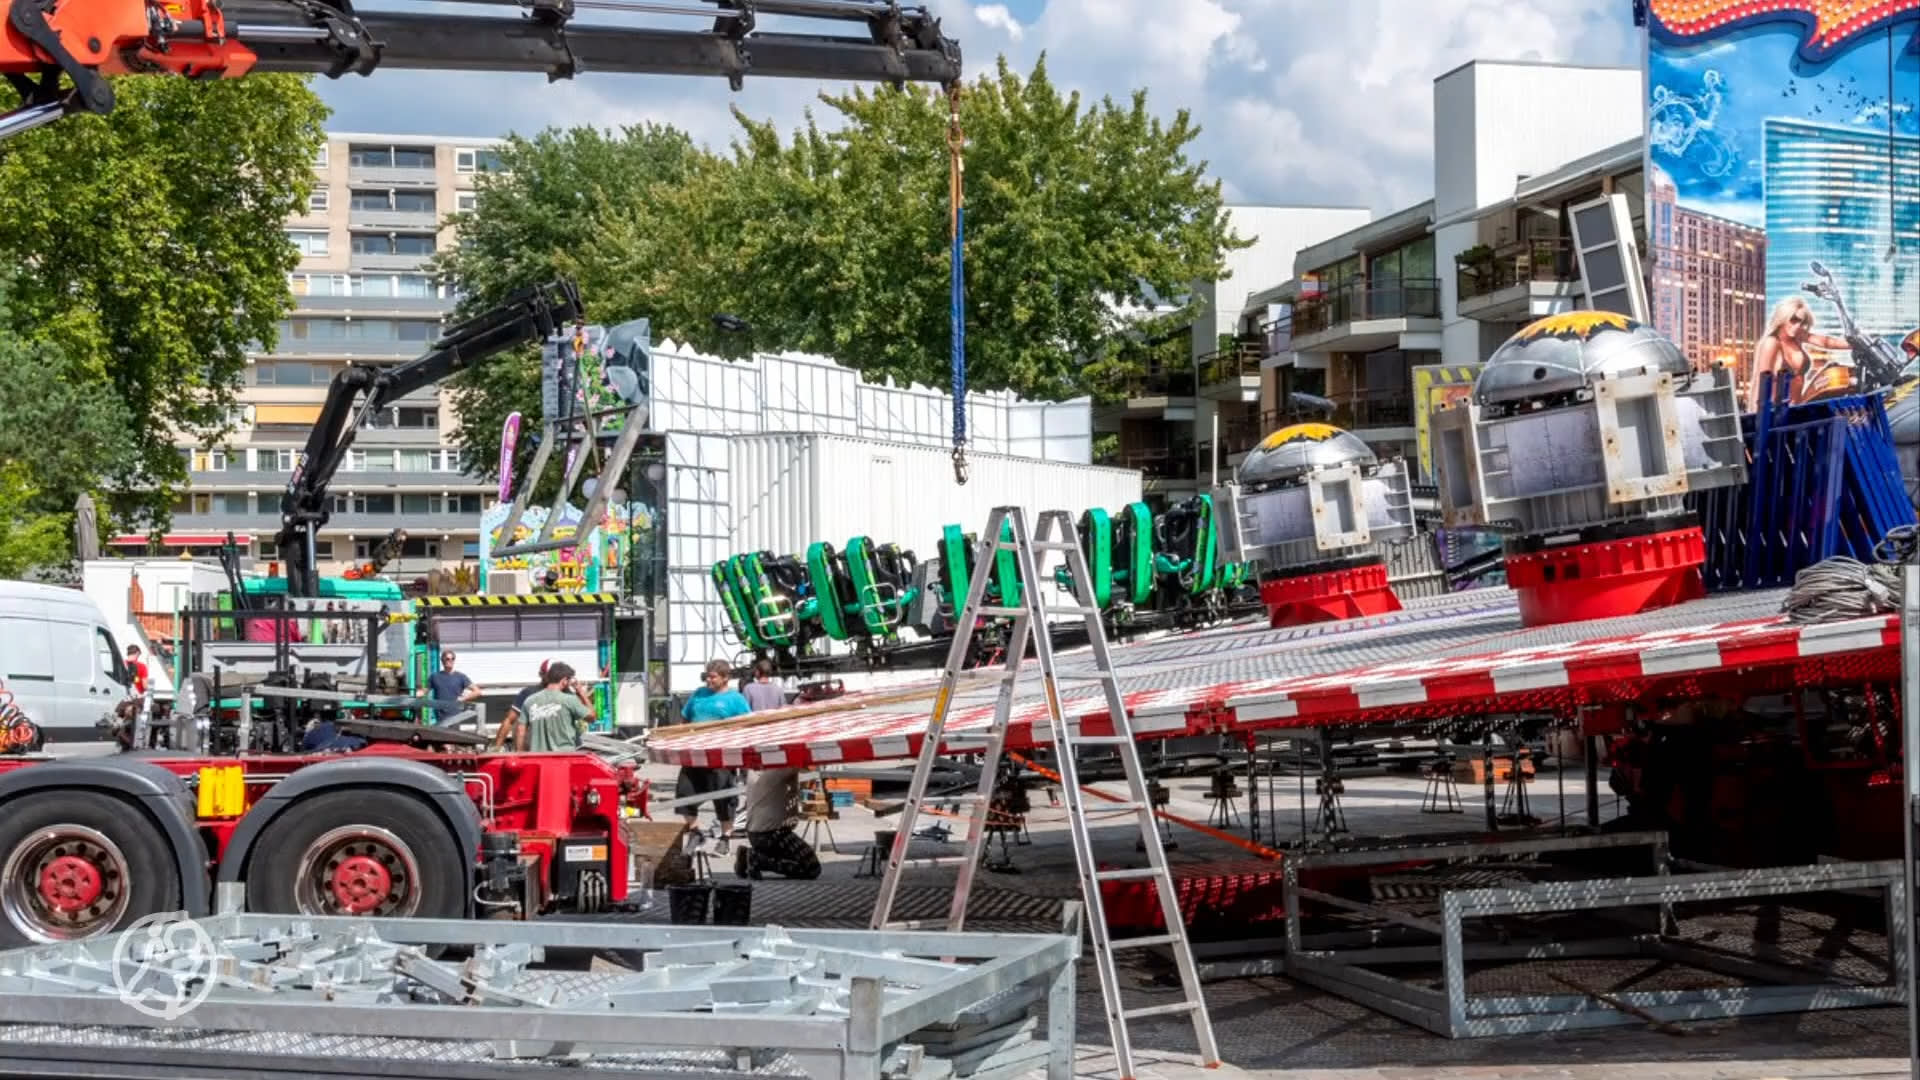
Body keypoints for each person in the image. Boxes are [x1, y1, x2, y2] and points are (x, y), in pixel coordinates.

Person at [674, 659, 751, 850]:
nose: (708, 680)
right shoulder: (699, 694)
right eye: (707, 676)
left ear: (725, 678)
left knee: (724, 798)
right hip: (695, 755)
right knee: (684, 793)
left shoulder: (736, 699)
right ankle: (695, 832)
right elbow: (685, 718)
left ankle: (725, 838)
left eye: (713, 676)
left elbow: (748, 724)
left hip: (721, 757)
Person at [1749, 297, 1853, 412]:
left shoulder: (1797, 335)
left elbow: (1826, 342)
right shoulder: (1771, 342)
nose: (1797, 326)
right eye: (1793, 320)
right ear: (1783, 318)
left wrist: (1856, 344)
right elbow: (1761, 381)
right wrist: (1756, 417)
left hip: (1797, 407)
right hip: (1776, 412)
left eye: (1801, 322)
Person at [734, 766, 821, 880]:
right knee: (812, 867)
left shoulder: (754, 768)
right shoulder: (784, 767)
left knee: (787, 855)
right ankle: (758, 860)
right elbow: (808, 768)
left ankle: (746, 856)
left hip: (754, 833)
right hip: (774, 834)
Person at [519, 662, 597, 752]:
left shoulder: (530, 700)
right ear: (564, 680)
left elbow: (521, 730)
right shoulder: (569, 700)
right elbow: (592, 717)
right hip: (564, 757)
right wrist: (581, 692)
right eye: (569, 680)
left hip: (538, 758)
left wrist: (521, 754)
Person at [490, 659, 552, 751]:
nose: (555, 678)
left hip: (559, 749)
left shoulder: (567, 694)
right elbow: (509, 720)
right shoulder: (528, 693)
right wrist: (496, 748)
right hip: (532, 749)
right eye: (551, 675)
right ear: (541, 674)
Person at [426, 650, 482, 726]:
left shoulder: (460, 677)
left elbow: (477, 692)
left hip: (455, 718)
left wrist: (463, 698)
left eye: (452, 659)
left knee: (453, 737)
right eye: (447, 659)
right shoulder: (434, 677)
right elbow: (423, 692)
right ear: (442, 660)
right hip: (440, 718)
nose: (450, 661)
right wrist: (410, 695)